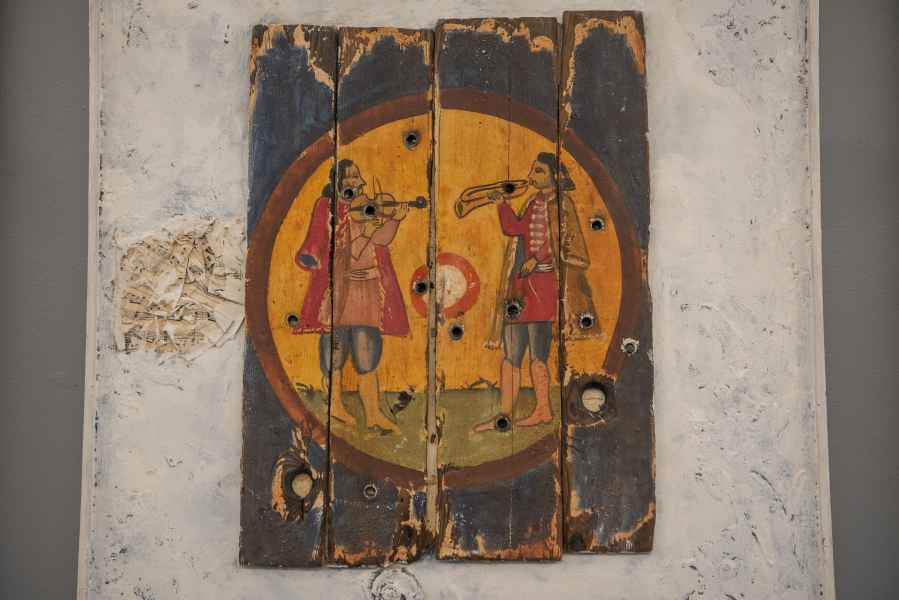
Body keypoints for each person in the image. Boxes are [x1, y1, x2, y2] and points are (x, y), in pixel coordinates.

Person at [477, 152, 595, 431]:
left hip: (544, 286)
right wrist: (502, 204)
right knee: (511, 352)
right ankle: (504, 413)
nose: (532, 175)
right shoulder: (532, 201)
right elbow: (514, 229)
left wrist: (538, 258)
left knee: (538, 352)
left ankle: (543, 410)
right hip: (521, 285)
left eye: (539, 171)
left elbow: (562, 240)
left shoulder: (563, 204)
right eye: (533, 170)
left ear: (555, 176)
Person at [293, 159, 409, 434]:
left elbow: (381, 240)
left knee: (367, 348)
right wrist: (366, 231)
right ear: (338, 182)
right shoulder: (329, 207)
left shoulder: (366, 206)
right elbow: (348, 250)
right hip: (341, 289)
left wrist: (395, 219)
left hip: (368, 289)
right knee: (335, 348)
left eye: (357, 176)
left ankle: (373, 414)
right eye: (350, 177)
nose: (357, 182)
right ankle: (335, 406)